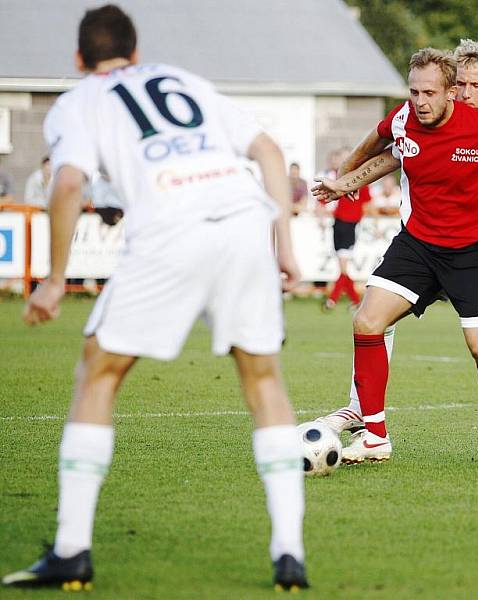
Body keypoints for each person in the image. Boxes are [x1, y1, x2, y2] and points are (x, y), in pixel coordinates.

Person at [2, 5, 308, 592]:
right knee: (264, 381)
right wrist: (284, 244)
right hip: (244, 222)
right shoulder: (185, 80)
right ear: (136, 54)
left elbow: (68, 183)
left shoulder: (77, 101)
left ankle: (71, 550)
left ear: (78, 60)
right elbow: (268, 151)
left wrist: (54, 278)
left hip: (169, 229)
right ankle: (289, 553)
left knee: (98, 373)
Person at [319, 40, 478, 470]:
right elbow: (388, 145)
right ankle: (367, 420)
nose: (465, 92)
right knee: (371, 319)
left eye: (475, 85)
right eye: (458, 84)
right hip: (423, 244)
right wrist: (344, 179)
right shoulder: (417, 114)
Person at [317, 149, 371, 310]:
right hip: (339, 223)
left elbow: (367, 204)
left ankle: (332, 300)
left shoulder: (362, 179)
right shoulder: (338, 178)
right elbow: (323, 200)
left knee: (343, 267)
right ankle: (356, 302)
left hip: (349, 225)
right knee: (343, 268)